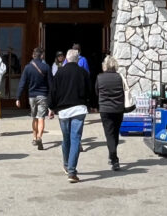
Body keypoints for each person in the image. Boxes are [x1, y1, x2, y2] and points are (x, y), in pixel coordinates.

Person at [49, 49, 92, 183]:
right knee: (75, 139)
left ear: (67, 59)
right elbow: (89, 91)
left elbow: (53, 91)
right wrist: (91, 104)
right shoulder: (83, 73)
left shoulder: (59, 72)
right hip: (79, 109)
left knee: (66, 138)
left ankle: (67, 165)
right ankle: (72, 172)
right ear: (78, 59)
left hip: (63, 111)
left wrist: (51, 107)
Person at [16, 47, 51, 150]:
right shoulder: (46, 67)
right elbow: (51, 84)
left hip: (32, 96)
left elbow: (22, 83)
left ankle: (34, 137)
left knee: (34, 117)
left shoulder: (27, 68)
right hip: (43, 95)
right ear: (42, 56)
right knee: (41, 118)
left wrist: (18, 97)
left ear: (33, 55)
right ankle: (40, 136)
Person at [95, 55, 126, 171]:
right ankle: (112, 155)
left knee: (109, 134)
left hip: (105, 109)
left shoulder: (99, 77)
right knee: (115, 132)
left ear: (105, 66)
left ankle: (113, 156)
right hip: (118, 109)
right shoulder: (119, 77)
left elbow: (96, 92)